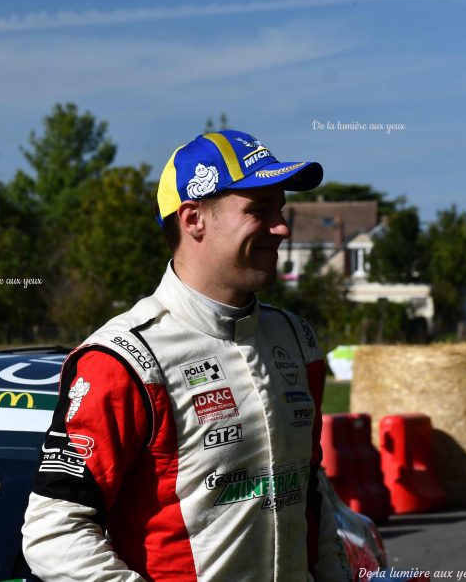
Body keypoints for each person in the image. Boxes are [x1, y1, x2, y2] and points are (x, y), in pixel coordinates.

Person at [21, 129, 353, 581]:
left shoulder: (297, 340)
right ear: (193, 218)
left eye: (280, 209)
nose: (282, 228)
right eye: (259, 211)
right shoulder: (124, 359)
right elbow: (52, 532)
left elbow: (310, 489)